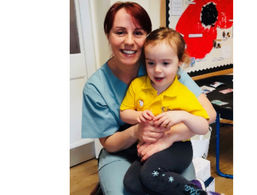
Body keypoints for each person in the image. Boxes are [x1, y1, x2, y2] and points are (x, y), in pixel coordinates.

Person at [81, 2, 216, 195]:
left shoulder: (166, 67)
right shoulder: (96, 87)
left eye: (138, 32)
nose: (129, 41)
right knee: (126, 188)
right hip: (122, 151)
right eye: (120, 32)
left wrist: (169, 137)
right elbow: (109, 142)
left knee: (168, 186)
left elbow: (208, 116)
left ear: (147, 36)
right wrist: (137, 131)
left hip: (171, 147)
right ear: (108, 36)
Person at [120, 27, 216, 195]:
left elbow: (202, 126)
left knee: (151, 174)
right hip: (147, 145)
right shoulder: (137, 85)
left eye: (165, 63)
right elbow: (124, 113)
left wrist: (183, 115)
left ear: (179, 62)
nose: (157, 70)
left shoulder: (183, 93)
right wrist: (138, 116)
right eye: (151, 63)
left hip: (178, 147)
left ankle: (198, 192)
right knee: (131, 183)